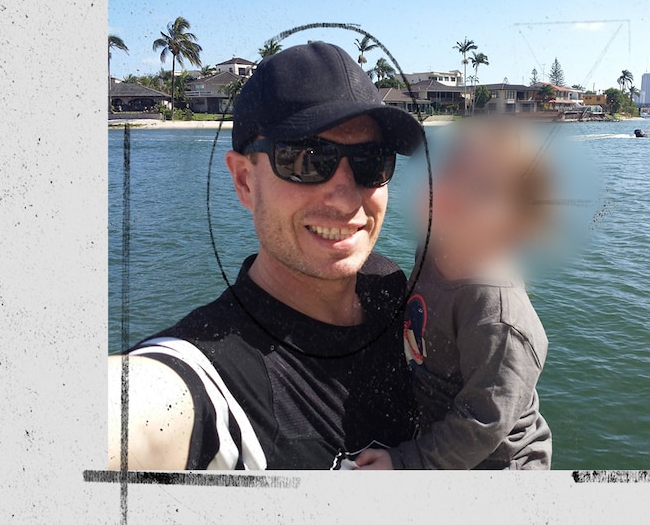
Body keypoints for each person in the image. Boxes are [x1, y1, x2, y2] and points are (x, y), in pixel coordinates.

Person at [107, 41, 426, 470]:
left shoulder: (391, 289)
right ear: (244, 180)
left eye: (372, 161)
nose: (347, 197)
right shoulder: (215, 375)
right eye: (308, 160)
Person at [353, 118, 553, 470]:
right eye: (451, 171)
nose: (455, 191)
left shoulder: (498, 318)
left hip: (498, 463)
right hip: (436, 419)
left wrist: (404, 464)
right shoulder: (433, 247)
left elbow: (482, 425)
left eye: (483, 188)